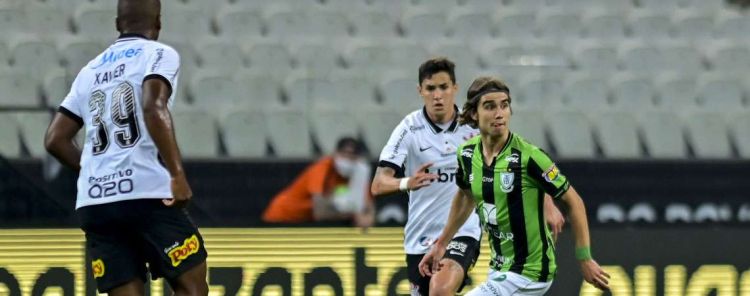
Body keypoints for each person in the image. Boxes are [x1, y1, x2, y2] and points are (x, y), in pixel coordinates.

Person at [44, 0, 208, 295]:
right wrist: (177, 175)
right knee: (191, 284)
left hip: (96, 203)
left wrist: (96, 171)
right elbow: (153, 106)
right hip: (147, 194)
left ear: (118, 24)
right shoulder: (159, 54)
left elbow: (55, 139)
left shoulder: (89, 70)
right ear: (158, 23)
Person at [371, 58, 565, 296]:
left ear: (455, 88)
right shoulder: (409, 129)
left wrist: (547, 202)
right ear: (420, 91)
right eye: (431, 88)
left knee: (440, 289)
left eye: (444, 87)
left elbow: (521, 159)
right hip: (420, 236)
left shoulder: (476, 123)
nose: (438, 95)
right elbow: (378, 184)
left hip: (464, 231)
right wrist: (406, 182)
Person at [418, 76, 610, 295]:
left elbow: (574, 201)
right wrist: (441, 243)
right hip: (499, 268)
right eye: (490, 107)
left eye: (504, 105)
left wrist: (584, 258)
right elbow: (465, 197)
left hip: (529, 272)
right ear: (473, 113)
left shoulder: (529, 157)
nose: (499, 114)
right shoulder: (467, 154)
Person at [263, 137, 374, 227]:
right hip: (281, 218)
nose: (347, 160)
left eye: (352, 157)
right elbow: (320, 213)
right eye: (344, 154)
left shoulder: (357, 174)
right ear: (335, 154)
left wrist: (368, 218)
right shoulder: (322, 169)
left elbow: (367, 204)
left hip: (304, 222)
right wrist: (354, 215)